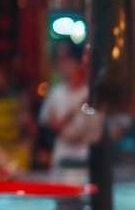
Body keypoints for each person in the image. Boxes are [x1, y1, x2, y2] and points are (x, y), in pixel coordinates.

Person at [38, 41, 103, 174]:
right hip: (62, 154)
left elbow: (97, 126)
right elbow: (46, 124)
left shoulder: (90, 94)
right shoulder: (55, 93)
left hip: (85, 154)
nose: (62, 65)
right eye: (59, 59)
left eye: (66, 59)